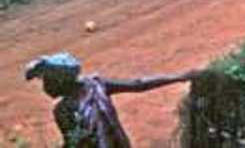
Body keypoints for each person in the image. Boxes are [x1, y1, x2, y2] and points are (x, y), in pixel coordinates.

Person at [26, 52, 200, 148]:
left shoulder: (63, 110)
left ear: (59, 80)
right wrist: (179, 77)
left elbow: (75, 143)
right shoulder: (97, 84)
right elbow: (139, 84)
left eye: (46, 81)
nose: (45, 87)